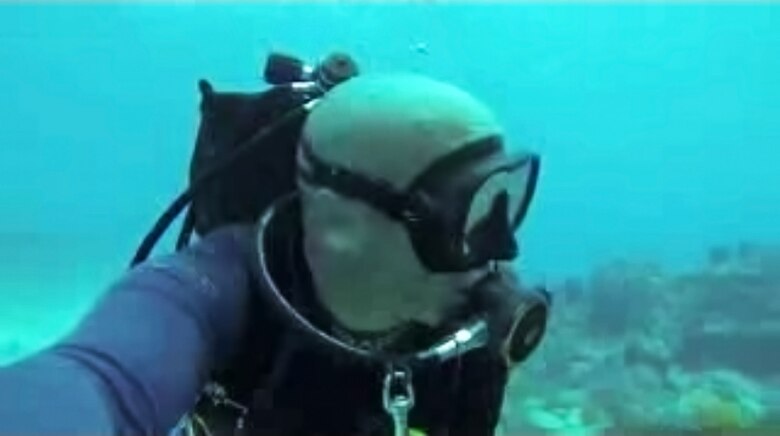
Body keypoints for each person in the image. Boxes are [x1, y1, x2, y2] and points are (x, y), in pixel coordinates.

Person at [0, 72, 549, 436]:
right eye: (464, 210)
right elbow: (99, 379)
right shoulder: (212, 290)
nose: (500, 247)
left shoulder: (465, 321)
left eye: (504, 204)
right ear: (340, 224)